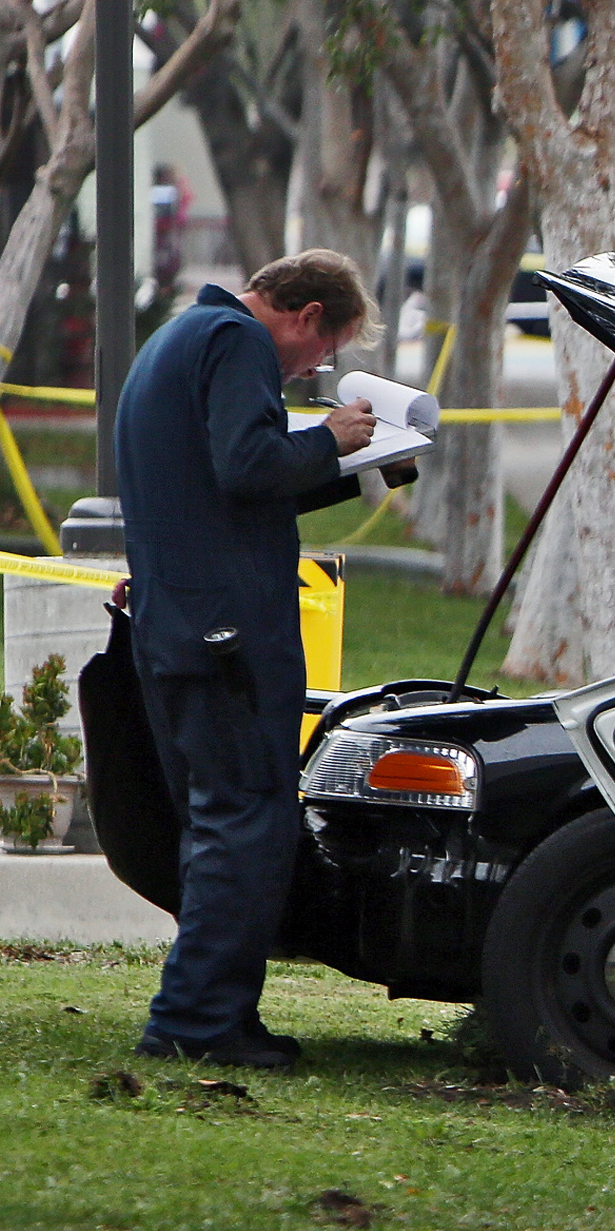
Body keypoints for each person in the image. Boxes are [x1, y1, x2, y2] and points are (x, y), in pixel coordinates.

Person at [113, 251, 381, 1070]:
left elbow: (227, 481)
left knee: (215, 822)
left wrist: (358, 465)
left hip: (176, 624)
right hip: (227, 632)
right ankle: (196, 1021)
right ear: (305, 315)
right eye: (323, 349)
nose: (313, 368)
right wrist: (330, 435)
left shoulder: (181, 337)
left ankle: (210, 1009)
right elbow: (249, 463)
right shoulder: (237, 342)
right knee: (247, 820)